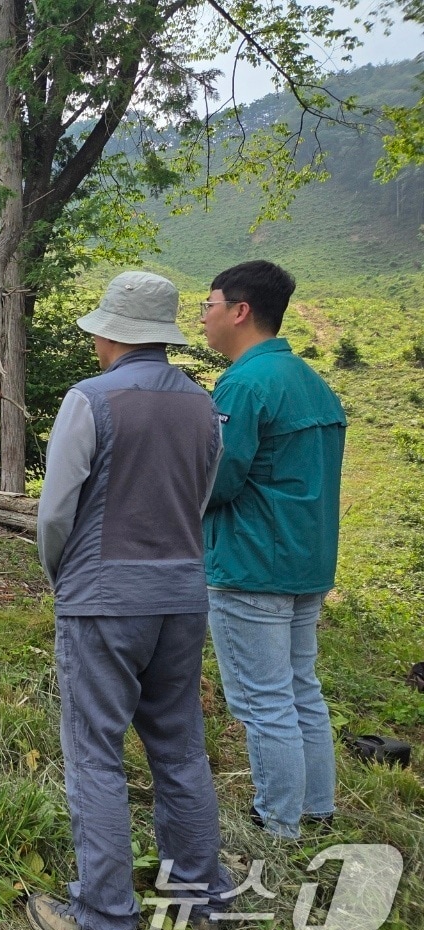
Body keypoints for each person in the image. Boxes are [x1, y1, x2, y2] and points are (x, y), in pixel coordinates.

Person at [27, 271, 233, 930]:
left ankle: (105, 922)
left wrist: (63, 575)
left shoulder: (90, 401)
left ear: (113, 333)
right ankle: (203, 900)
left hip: (103, 600)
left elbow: (57, 511)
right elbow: (198, 500)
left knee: (95, 755)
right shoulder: (205, 409)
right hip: (181, 596)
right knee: (179, 749)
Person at [201, 260, 347, 839]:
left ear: (240, 311)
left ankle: (277, 824)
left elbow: (216, 479)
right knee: (300, 690)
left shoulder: (244, 383)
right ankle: (316, 809)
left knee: (264, 703)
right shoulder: (311, 380)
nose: (204, 319)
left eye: (208, 306)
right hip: (305, 563)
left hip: (250, 564)